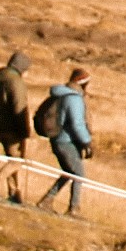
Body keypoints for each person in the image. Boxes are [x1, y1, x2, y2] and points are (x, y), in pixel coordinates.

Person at [38, 64, 94, 217]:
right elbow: (77, 124)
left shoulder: (61, 94)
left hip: (57, 139)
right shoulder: (74, 99)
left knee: (69, 172)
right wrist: (87, 141)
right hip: (66, 141)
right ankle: (74, 208)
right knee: (78, 174)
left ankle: (47, 200)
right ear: (82, 84)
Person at [0, 48, 33, 202]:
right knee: (18, 161)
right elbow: (20, 107)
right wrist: (25, 131)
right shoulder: (16, 82)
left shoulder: (0, 79)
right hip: (13, 128)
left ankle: (14, 193)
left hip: (0, 125)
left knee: (12, 158)